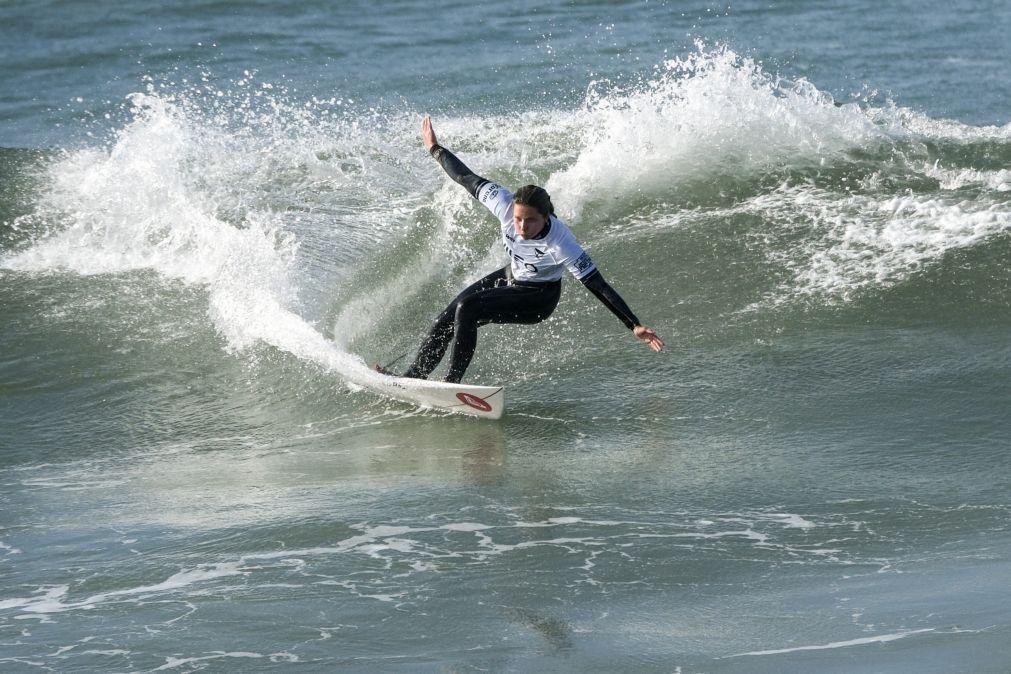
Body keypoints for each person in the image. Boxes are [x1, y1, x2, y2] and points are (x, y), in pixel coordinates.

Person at [388, 116, 664, 384]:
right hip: (513, 277)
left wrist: (634, 325)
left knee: (468, 308)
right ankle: (413, 378)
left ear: (546, 217)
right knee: (448, 316)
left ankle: (452, 384)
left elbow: (598, 285)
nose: (521, 226)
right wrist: (435, 149)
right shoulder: (503, 204)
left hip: (538, 299)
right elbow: (465, 178)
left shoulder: (560, 241)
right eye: (519, 218)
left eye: (530, 220)